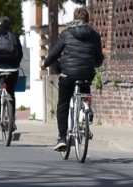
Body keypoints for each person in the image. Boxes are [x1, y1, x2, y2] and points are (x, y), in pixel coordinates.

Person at [42, 8, 105, 153]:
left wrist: (46, 63)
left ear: (73, 18)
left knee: (63, 103)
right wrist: (94, 62)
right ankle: (87, 108)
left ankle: (62, 138)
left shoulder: (66, 34)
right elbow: (99, 58)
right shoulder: (94, 35)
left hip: (68, 74)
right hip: (86, 73)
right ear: (87, 20)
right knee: (85, 83)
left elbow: (54, 53)